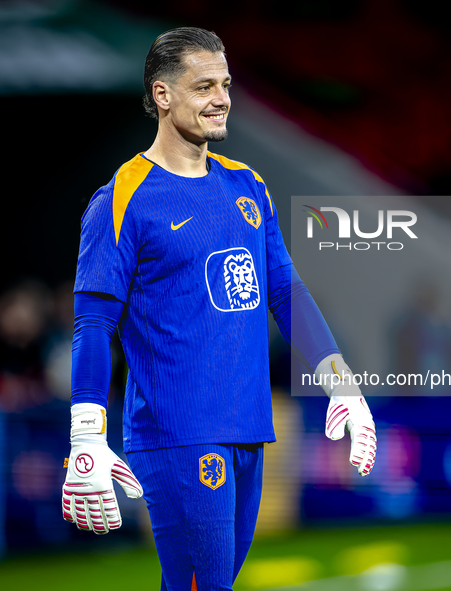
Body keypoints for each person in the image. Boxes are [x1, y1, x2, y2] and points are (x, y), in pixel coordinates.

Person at [62, 27, 376, 591]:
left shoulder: (247, 186)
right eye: (203, 85)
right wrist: (86, 435)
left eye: (225, 84)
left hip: (250, 428)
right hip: (178, 434)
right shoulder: (122, 199)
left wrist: (343, 386)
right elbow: (93, 324)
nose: (221, 97)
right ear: (163, 95)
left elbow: (287, 293)